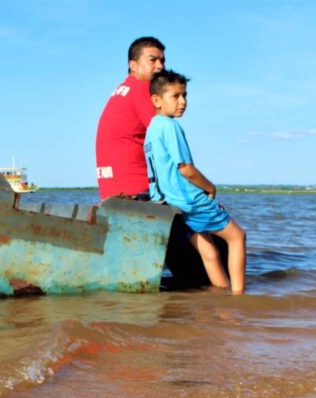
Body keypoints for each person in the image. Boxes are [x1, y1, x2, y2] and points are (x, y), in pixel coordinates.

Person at [144, 69, 247, 294]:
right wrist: (210, 187)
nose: (183, 102)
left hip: (169, 204)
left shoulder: (151, 129)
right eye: (175, 96)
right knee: (238, 237)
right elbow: (186, 169)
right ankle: (239, 297)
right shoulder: (170, 126)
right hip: (189, 200)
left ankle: (221, 294)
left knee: (209, 252)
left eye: (185, 95)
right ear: (156, 100)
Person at [95, 36, 165, 200]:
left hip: (111, 190)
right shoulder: (142, 88)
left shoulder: (124, 89)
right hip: (136, 190)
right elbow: (163, 137)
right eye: (152, 60)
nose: (160, 66)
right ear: (133, 65)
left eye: (162, 61)